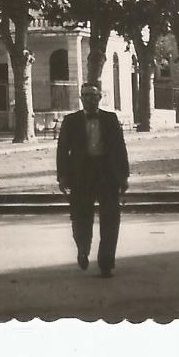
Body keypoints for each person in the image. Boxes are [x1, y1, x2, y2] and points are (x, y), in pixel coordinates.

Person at [56, 81, 130, 278]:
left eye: (93, 95)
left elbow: (120, 149)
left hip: (107, 174)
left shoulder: (110, 119)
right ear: (81, 98)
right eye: (85, 95)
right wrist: (62, 176)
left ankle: (106, 262)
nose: (89, 99)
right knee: (81, 218)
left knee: (111, 219)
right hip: (81, 175)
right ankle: (82, 249)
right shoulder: (70, 121)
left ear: (100, 97)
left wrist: (123, 177)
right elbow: (62, 150)